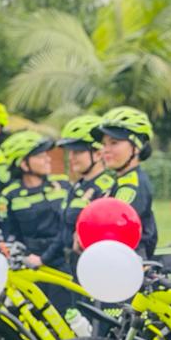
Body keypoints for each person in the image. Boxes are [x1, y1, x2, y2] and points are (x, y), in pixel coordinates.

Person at [45, 114, 114, 273]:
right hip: (72, 266)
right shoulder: (76, 186)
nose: (71, 158)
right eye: (70, 152)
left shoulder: (106, 188)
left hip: (95, 269)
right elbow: (63, 231)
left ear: (97, 154)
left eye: (77, 152)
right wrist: (43, 258)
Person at [0, 130, 69, 272]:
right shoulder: (9, 195)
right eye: (41, 156)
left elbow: (67, 227)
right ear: (23, 164)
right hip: (29, 264)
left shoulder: (63, 185)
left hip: (62, 261)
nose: (48, 159)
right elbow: (8, 233)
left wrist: (46, 257)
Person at [91, 106, 158, 258]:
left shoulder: (132, 184)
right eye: (104, 144)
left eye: (114, 143)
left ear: (136, 147)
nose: (105, 150)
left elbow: (115, 228)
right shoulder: (122, 180)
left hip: (125, 264)